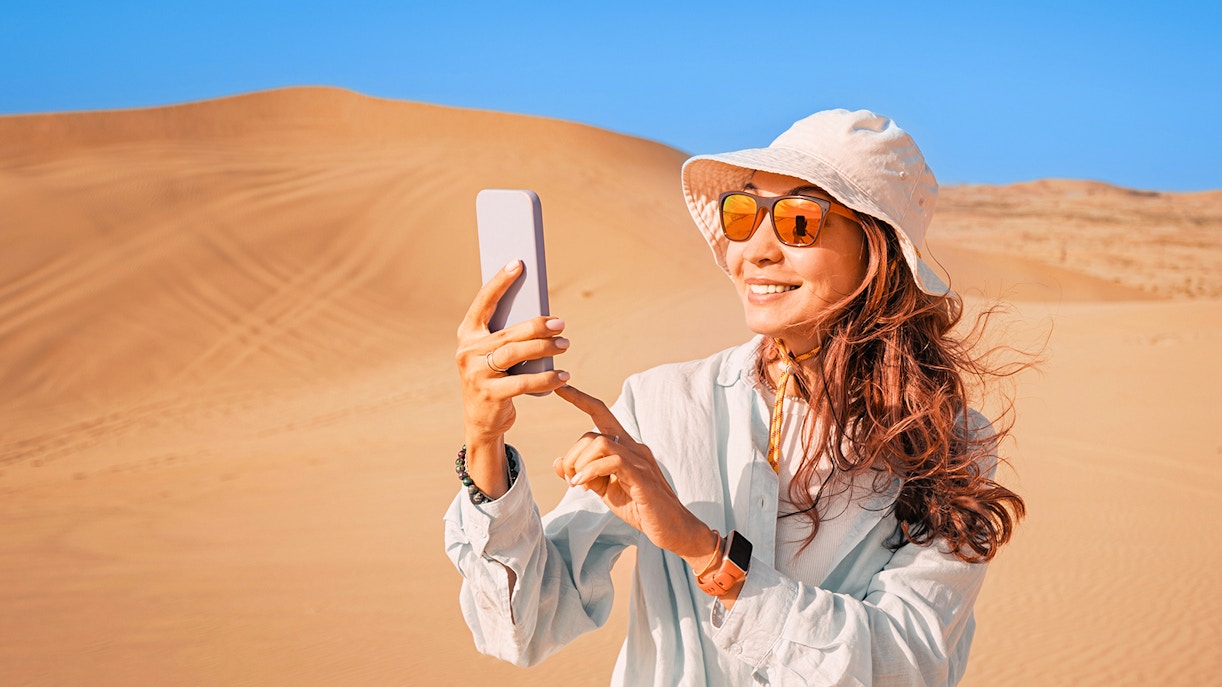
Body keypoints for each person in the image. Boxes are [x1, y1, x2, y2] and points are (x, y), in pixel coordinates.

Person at [445, 109, 1025, 686]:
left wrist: (706, 553)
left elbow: (903, 666)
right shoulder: (660, 404)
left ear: (877, 254)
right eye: (744, 214)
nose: (758, 249)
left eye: (800, 220)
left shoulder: (950, 443)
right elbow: (523, 627)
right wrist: (485, 443)